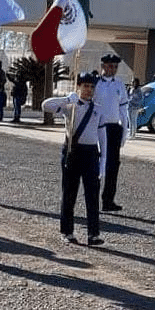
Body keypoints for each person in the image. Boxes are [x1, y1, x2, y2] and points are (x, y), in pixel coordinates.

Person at [42, 71, 105, 246]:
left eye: (91, 87)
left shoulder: (98, 109)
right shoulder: (70, 106)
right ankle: (67, 231)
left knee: (92, 195)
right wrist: (67, 99)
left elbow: (102, 137)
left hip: (91, 153)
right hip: (73, 151)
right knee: (69, 193)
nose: (89, 90)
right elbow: (46, 106)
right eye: (85, 86)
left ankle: (93, 234)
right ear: (78, 87)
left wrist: (104, 161)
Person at [95, 52, 130, 212]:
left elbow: (123, 109)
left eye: (115, 67)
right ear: (103, 66)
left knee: (113, 166)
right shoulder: (95, 83)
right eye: (110, 66)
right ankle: (92, 200)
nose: (113, 69)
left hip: (114, 128)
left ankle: (108, 200)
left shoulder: (119, 85)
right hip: (98, 128)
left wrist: (124, 131)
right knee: (96, 164)